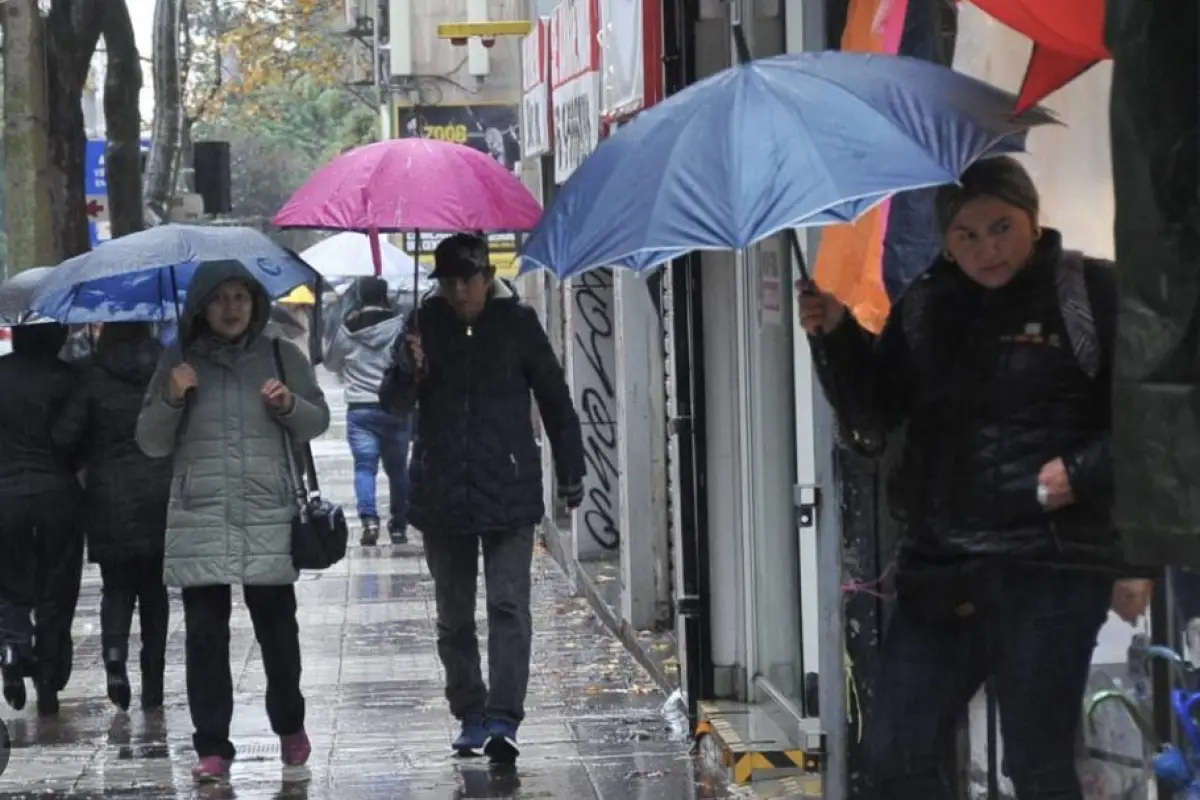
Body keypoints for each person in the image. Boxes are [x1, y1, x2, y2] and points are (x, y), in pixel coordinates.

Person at [796, 156, 1148, 799]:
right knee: (895, 753)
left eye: (1002, 227)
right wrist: (837, 337)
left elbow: (1150, 414)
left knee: (1036, 764)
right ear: (946, 242)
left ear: (1033, 220)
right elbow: (874, 414)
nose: (988, 248)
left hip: (1052, 564)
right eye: (967, 235)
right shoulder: (926, 304)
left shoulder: (1089, 294)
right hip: (943, 567)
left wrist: (1082, 471)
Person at [382, 233, 585, 762]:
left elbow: (555, 397)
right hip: (441, 486)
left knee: (507, 604)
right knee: (453, 614)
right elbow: (393, 405)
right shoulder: (423, 323)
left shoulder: (517, 323)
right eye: (446, 283)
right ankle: (469, 711)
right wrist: (408, 366)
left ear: (486, 275)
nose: (456, 292)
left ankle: (503, 717)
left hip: (508, 485)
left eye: (464, 282)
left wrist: (571, 471)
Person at [137, 259, 330, 782]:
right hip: (200, 514)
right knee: (204, 638)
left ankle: (290, 724)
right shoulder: (177, 361)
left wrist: (290, 404)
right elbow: (151, 442)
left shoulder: (280, 355)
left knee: (278, 634)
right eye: (220, 298)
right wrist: (172, 398)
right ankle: (213, 746)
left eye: (240, 297)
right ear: (202, 306)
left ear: (255, 303)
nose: (231, 308)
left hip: (267, 509)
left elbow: (317, 420)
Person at [52, 322, 171, 712]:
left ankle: (115, 657)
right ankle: (153, 682)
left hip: (107, 496)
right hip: (160, 493)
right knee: (155, 591)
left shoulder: (90, 375)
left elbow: (65, 438)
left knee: (116, 587)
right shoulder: (166, 370)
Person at [0, 322, 84, 715]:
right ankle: (49, 674)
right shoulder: (68, 379)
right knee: (57, 587)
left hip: (5, 497)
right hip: (58, 496)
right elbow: (78, 439)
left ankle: (13, 649)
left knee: (8, 583)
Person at [324, 276, 412, 546]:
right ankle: (398, 526)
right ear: (386, 296)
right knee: (398, 470)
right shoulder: (400, 326)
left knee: (364, 468)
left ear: (359, 297)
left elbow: (330, 363)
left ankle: (369, 522)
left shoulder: (346, 329)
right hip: (395, 406)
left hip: (360, 410)